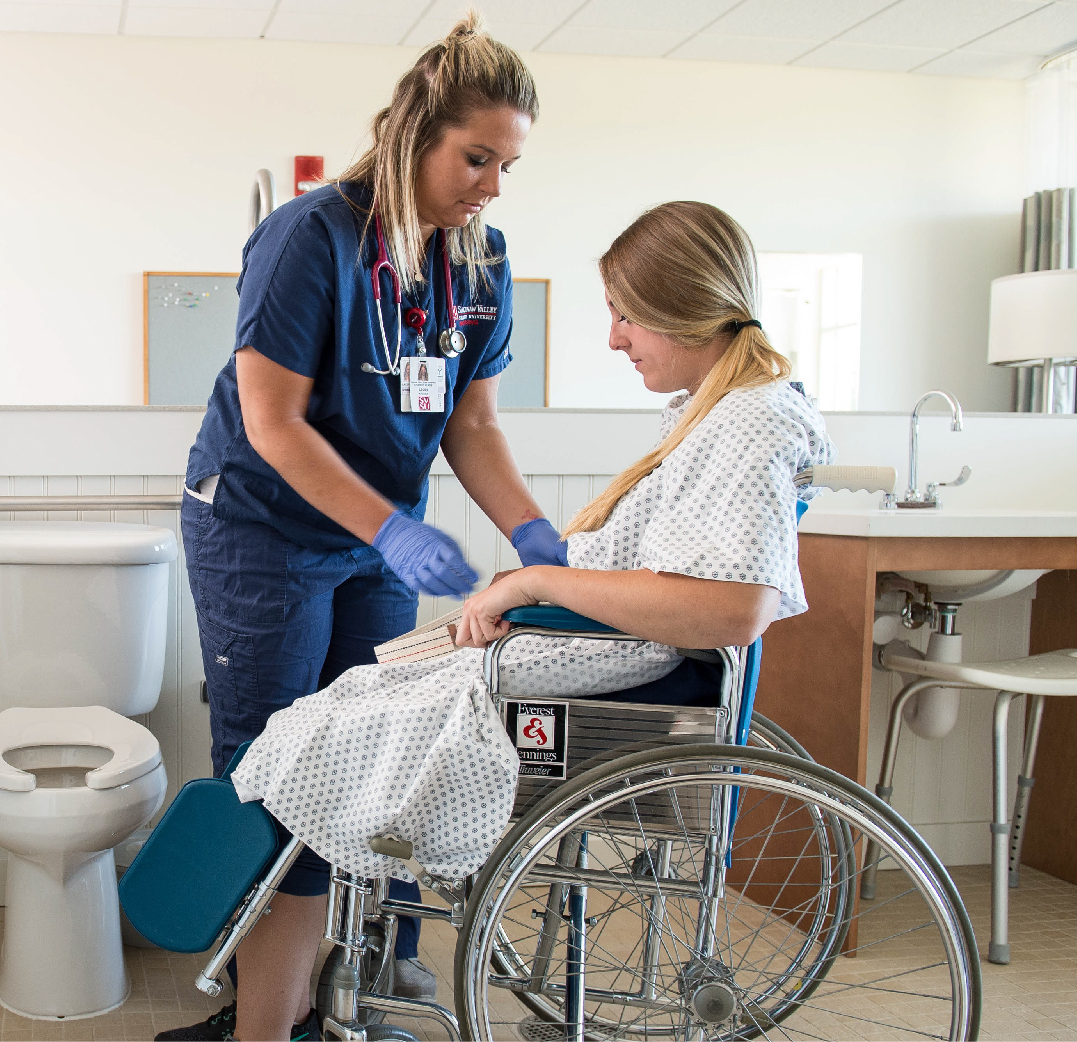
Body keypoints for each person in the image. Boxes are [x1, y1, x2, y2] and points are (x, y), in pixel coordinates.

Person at [229, 200, 835, 1032]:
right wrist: (533, 579)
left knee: (315, 731)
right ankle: (315, 980)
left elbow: (730, 608)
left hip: (600, 666)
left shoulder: (748, 421)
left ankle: (280, 1005)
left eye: (624, 316)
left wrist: (536, 582)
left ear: (679, 307)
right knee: (345, 705)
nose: (614, 340)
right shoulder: (719, 411)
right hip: (579, 650)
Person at [162, 14, 557, 1042]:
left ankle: (307, 1002)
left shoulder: (480, 261)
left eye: (507, 165)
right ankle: (266, 1021)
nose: (491, 186)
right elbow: (273, 423)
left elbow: (472, 424)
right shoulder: (309, 237)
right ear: (415, 131)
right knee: (273, 768)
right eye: (476, 157)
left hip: (373, 537)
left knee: (362, 764)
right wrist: (391, 532)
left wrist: (534, 537)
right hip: (261, 531)